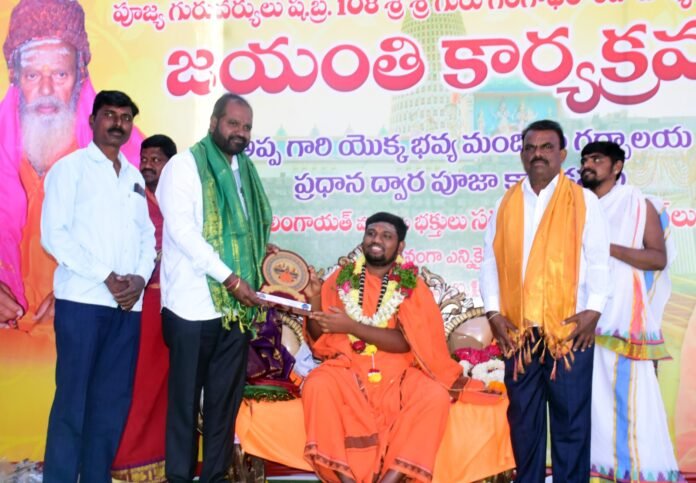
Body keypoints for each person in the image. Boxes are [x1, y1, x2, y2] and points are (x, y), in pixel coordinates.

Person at [479, 119, 611, 482]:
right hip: (519, 333)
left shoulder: (583, 200)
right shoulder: (505, 203)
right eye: (531, 148)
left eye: (547, 147)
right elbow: (490, 262)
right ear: (523, 155)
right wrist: (493, 313)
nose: (538, 154)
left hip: (568, 330)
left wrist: (594, 310)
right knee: (524, 424)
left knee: (571, 425)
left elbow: (599, 259)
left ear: (562, 154)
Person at [0, 0, 143, 329]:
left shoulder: (132, 155)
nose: (46, 90)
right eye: (33, 74)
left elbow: (152, 240)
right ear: (14, 75)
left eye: (60, 74)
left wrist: (82, 288)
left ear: (80, 73)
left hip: (92, 321)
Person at [302, 212, 471, 483]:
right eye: (371, 233)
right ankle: (346, 480)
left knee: (435, 396)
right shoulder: (341, 279)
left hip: (398, 373)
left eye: (386, 236)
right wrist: (313, 298)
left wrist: (352, 326)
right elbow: (318, 336)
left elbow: (406, 342)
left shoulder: (412, 285)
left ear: (400, 246)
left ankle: (389, 480)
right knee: (317, 384)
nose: (376, 240)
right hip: (347, 367)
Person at [156, 92, 273, 482]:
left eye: (247, 127)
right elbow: (184, 233)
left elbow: (246, 231)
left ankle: (215, 477)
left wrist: (261, 255)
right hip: (192, 307)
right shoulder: (184, 166)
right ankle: (179, 477)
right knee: (185, 404)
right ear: (213, 123)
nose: (240, 132)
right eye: (233, 123)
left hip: (234, 311)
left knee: (224, 403)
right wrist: (231, 278)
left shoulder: (244, 171)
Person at [40, 90, 155, 482]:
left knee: (110, 404)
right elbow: (54, 235)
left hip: (126, 307)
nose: (118, 123)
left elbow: (147, 236)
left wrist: (139, 278)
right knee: (72, 402)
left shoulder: (134, 177)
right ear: (92, 121)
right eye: (110, 115)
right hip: (83, 302)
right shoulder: (69, 169)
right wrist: (106, 275)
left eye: (125, 117)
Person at [579, 141, 683, 482]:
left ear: (617, 167)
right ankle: (598, 472)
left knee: (632, 401)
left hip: (622, 320)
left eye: (597, 159)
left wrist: (605, 247)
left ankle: (643, 471)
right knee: (592, 405)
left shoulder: (638, 204)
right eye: (585, 159)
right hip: (582, 318)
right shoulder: (577, 206)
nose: (588, 165)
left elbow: (657, 258)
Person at [112, 135, 177, 482]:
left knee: (166, 387)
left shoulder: (181, 201)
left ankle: (163, 462)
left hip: (176, 307)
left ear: (172, 165)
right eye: (145, 158)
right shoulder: (130, 198)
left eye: (157, 159)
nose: (148, 165)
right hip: (141, 306)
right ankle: (129, 461)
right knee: (138, 383)